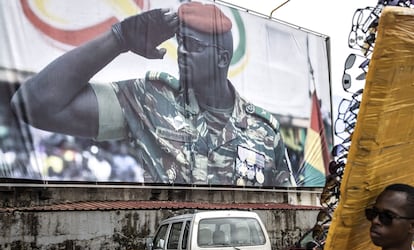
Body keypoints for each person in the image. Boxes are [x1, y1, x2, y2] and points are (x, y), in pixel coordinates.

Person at [11, 2, 294, 187]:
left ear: (222, 60)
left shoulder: (264, 131)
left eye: (193, 46)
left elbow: (287, 206)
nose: (181, 52)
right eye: (180, 42)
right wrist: (119, 38)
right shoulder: (152, 100)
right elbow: (35, 105)